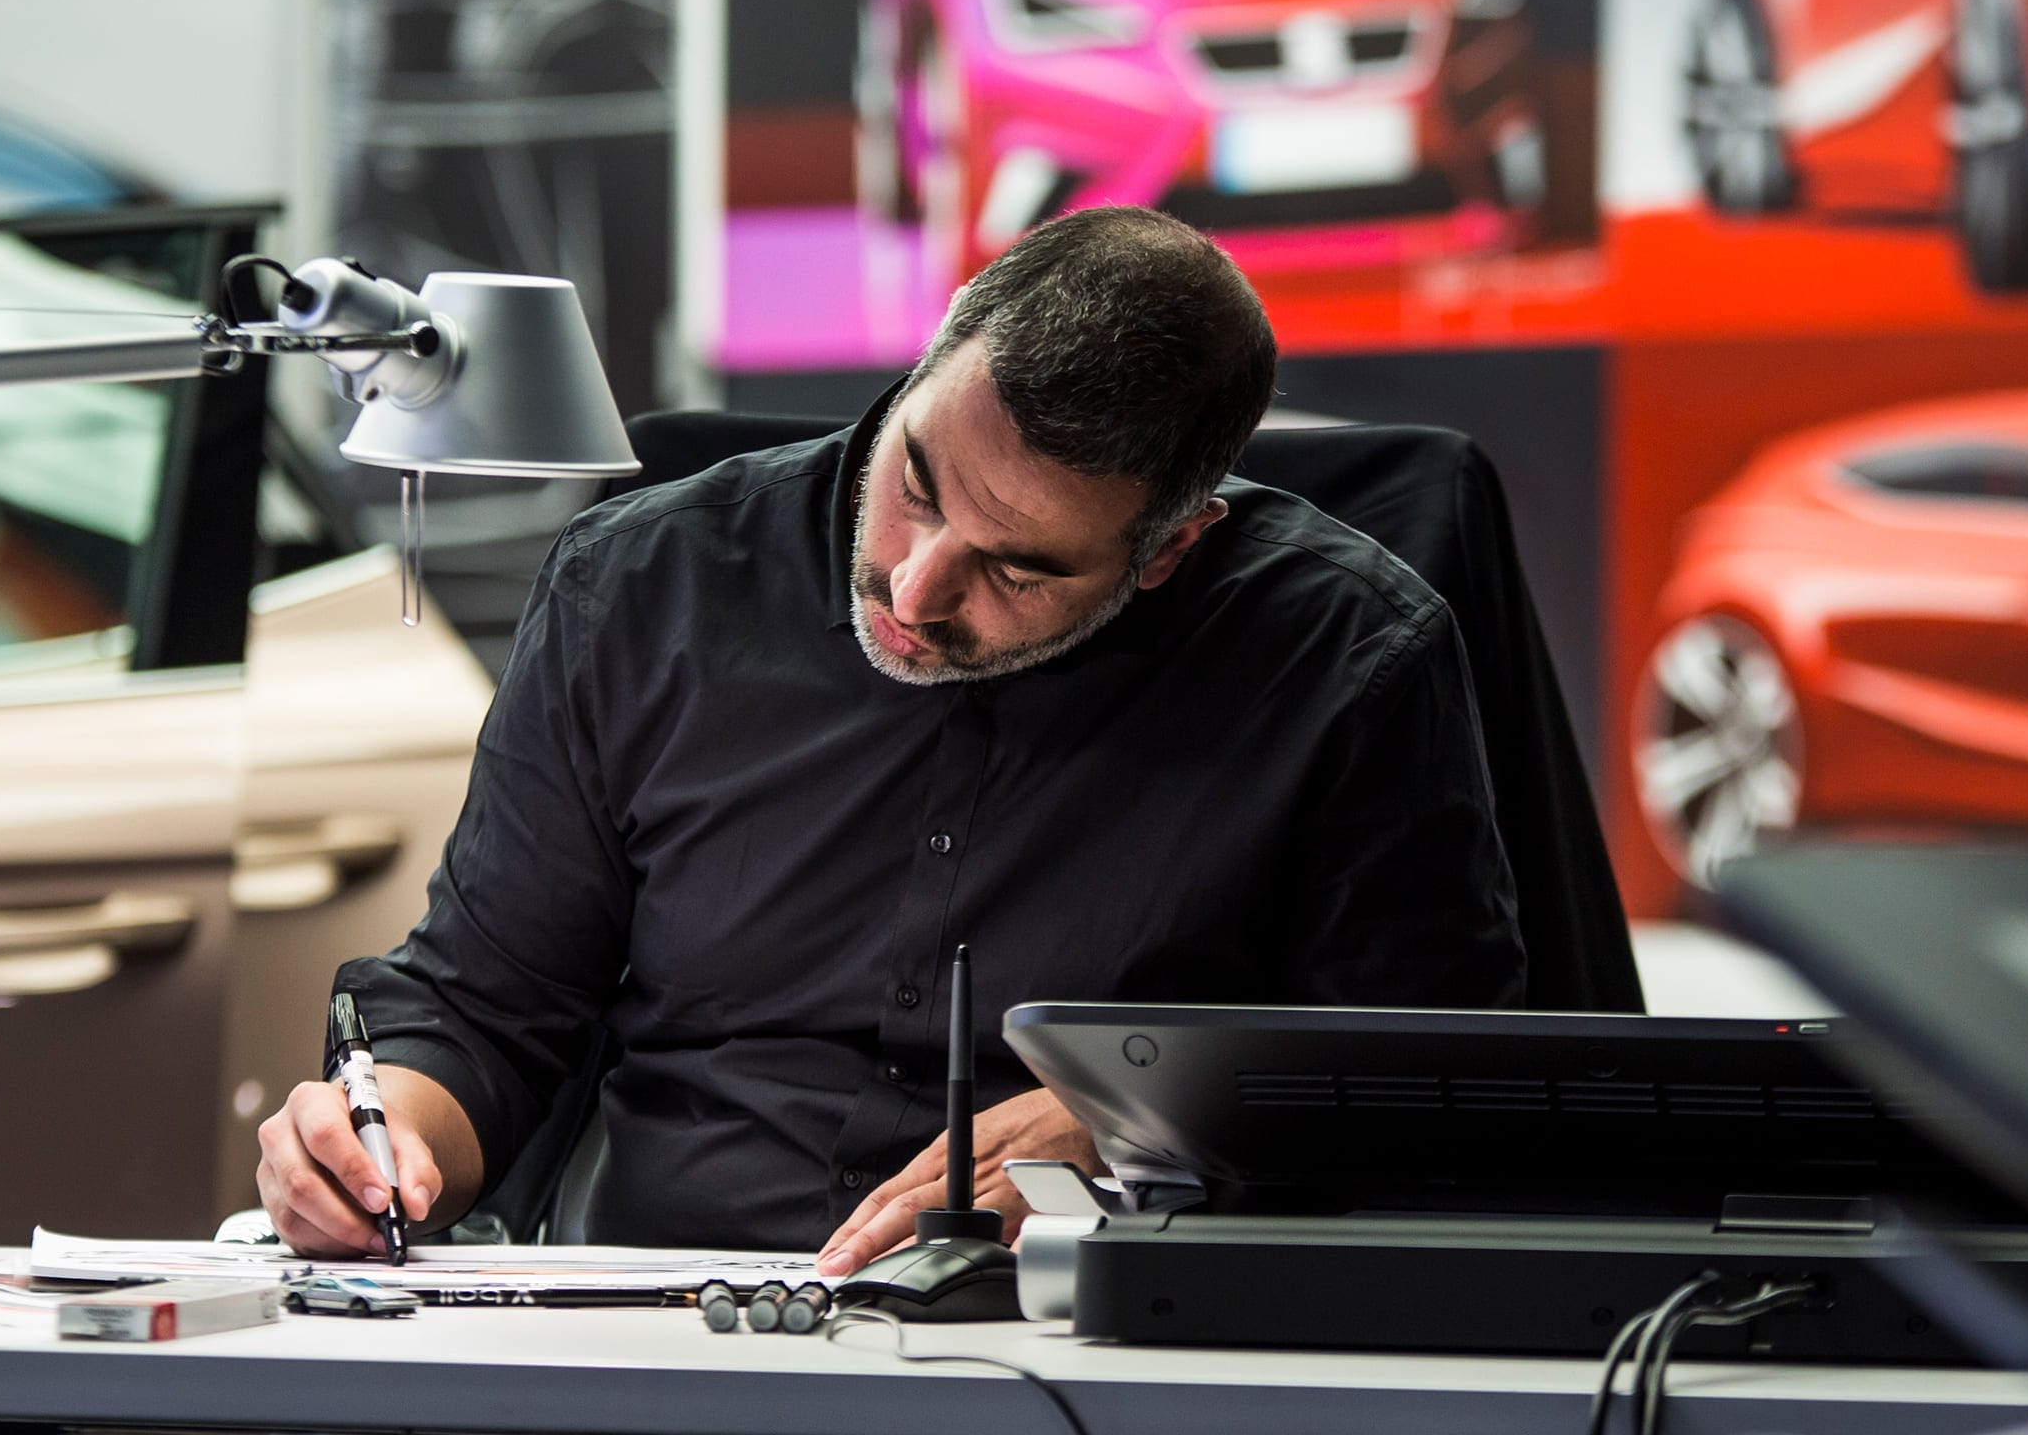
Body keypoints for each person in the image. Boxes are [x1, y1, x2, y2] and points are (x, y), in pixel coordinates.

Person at [254, 206, 1522, 1275]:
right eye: (918, 483)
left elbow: (1423, 1079)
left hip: (1089, 1349)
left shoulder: (1349, 664)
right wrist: (381, 1137)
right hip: (672, 1326)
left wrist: (1147, 1122)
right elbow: (487, 1003)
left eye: (1015, 570)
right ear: (931, 354)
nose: (913, 593)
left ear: (1171, 547)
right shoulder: (643, 585)